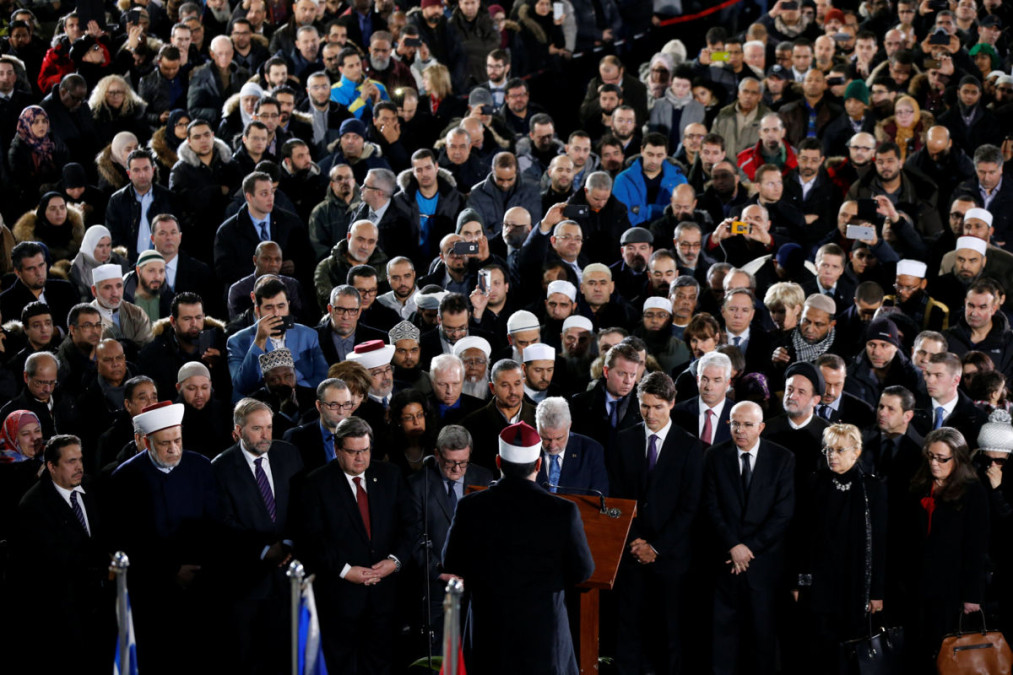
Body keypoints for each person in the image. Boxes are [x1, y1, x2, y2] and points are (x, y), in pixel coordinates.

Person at [442, 420, 595, 675]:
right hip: (544, 638)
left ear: (498, 462)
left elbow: (452, 562)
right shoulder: (563, 511)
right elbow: (583, 571)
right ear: (538, 465)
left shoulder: (471, 506)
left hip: (488, 635)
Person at [107, 401, 219, 675]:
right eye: (164, 443)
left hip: (201, 582)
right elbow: (127, 541)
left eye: (177, 440)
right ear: (146, 443)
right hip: (153, 590)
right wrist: (171, 571)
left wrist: (198, 567)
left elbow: (214, 525)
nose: (173, 449)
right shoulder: (125, 479)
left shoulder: (201, 467)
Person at [296, 416, 412, 674]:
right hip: (340, 599)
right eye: (352, 452)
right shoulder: (316, 484)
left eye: (365, 450)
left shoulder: (390, 476)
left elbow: (411, 526)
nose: (360, 458)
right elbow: (312, 539)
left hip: (384, 598)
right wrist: (346, 570)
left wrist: (393, 562)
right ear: (337, 450)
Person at [612, 372, 704, 673]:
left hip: (671, 559)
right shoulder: (624, 441)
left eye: (658, 407)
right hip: (630, 554)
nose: (650, 414)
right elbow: (618, 498)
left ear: (672, 404)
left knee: (669, 635)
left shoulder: (690, 447)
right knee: (628, 634)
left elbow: (690, 507)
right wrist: (636, 541)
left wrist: (657, 546)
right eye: (645, 406)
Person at [209, 398, 303, 674]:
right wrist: (264, 550)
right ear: (238, 431)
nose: (266, 436)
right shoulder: (221, 468)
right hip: (246, 580)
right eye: (257, 429)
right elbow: (223, 523)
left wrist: (286, 545)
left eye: (269, 427)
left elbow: (302, 505)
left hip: (289, 576)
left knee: (289, 653)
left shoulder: (289, 455)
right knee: (250, 658)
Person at [703, 400, 795, 675]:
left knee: (762, 641)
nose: (740, 430)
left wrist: (748, 548)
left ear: (761, 427)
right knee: (721, 642)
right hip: (724, 564)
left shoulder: (782, 458)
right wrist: (732, 545)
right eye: (735, 424)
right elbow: (710, 506)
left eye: (747, 425)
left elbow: (783, 513)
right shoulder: (714, 457)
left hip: (763, 566)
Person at [9, 434, 113, 672]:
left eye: (80, 459)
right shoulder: (33, 507)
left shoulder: (89, 486)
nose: (79, 467)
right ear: (51, 467)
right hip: (62, 614)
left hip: (98, 605)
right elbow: (51, 562)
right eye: (70, 461)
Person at [790, 423, 887, 675]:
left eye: (839, 450)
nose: (832, 455)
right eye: (828, 450)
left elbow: (879, 542)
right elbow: (801, 535)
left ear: (856, 452)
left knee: (851, 651)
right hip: (820, 583)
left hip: (854, 585)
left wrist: (876, 591)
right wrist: (797, 581)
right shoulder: (815, 482)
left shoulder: (872, 488)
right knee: (817, 649)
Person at [907, 427, 988, 669]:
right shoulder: (918, 485)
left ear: (959, 458)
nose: (934, 463)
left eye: (942, 459)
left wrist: (972, 596)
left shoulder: (973, 492)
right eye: (931, 456)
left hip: (951, 590)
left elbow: (977, 548)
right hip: (916, 586)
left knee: (946, 656)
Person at [407, 424, 494, 646]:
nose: (456, 469)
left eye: (462, 462)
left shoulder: (484, 479)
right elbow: (414, 537)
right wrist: (438, 572)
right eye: (449, 463)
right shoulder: (418, 485)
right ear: (436, 455)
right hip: (436, 589)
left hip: (478, 587)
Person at [533, 396, 608, 495]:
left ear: (569, 426)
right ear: (538, 428)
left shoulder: (591, 451)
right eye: (546, 438)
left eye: (559, 438)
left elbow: (599, 497)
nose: (552, 445)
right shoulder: (526, 449)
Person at [673, 350, 734, 447]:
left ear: (727, 383)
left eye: (716, 380)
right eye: (704, 379)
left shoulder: (738, 416)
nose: (709, 387)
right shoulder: (676, 413)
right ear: (698, 380)